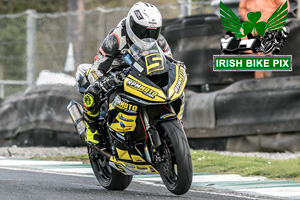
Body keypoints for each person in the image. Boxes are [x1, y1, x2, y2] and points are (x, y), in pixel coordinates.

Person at [76, 2, 175, 146]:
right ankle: (92, 129)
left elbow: (170, 61)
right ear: (132, 25)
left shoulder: (159, 40)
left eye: (152, 32)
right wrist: (105, 81)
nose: (147, 36)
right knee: (93, 91)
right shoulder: (115, 39)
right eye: (142, 31)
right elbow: (96, 68)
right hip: (116, 74)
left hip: (142, 72)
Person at [238, 0, 289, 78]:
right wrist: (246, 17)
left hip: (270, 17)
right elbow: (242, 7)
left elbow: (284, 6)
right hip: (253, 19)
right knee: (242, 37)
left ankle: (262, 71)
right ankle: (259, 62)